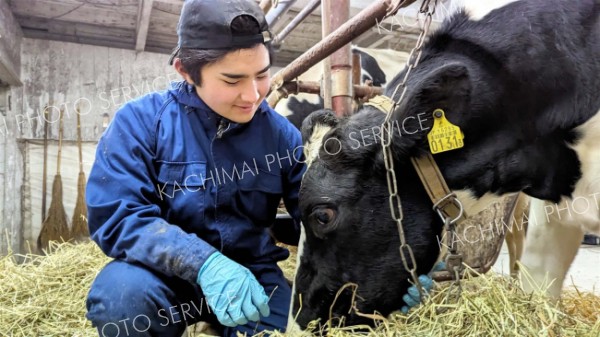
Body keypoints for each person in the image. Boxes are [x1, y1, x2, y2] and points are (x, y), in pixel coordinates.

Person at [85, 0, 304, 336]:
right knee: (122, 302)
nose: (253, 94)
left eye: (262, 75)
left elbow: (319, 218)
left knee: (285, 329)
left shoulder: (282, 136)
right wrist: (203, 263)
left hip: (252, 276)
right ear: (186, 71)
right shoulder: (140, 123)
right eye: (232, 80)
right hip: (162, 274)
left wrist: (383, 266)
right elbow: (118, 216)